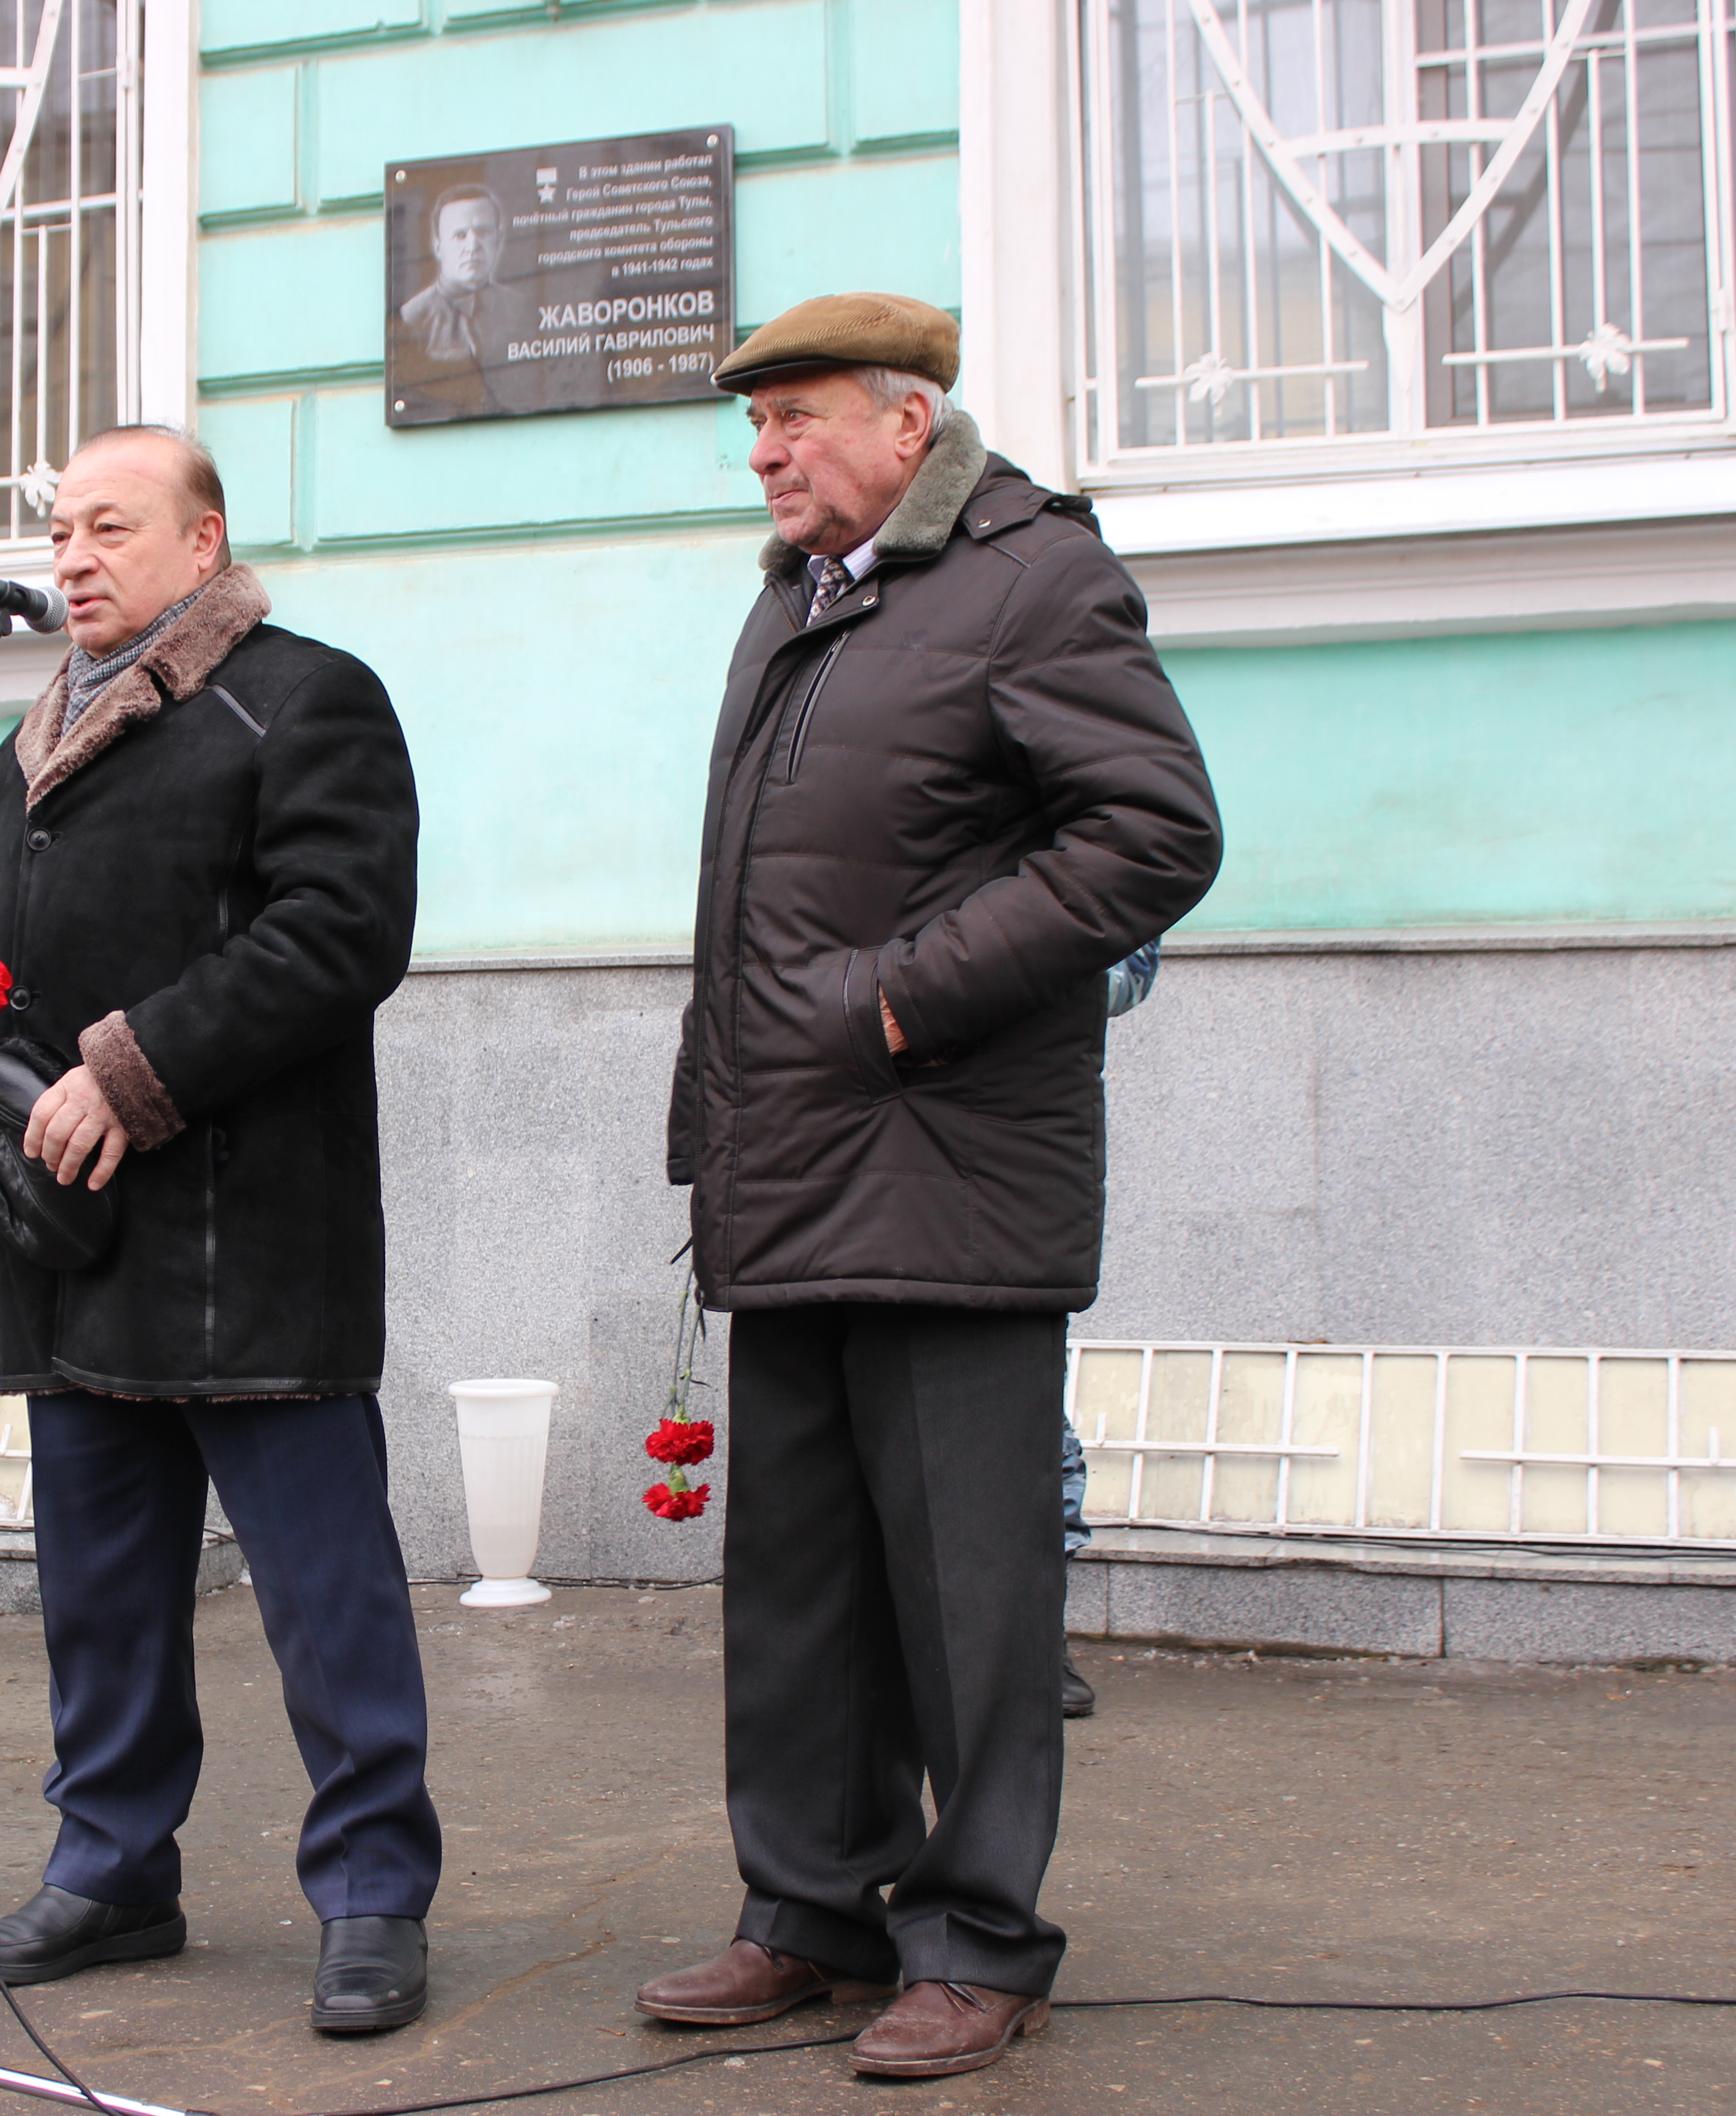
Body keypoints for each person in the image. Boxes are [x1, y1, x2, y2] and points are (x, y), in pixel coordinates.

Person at [644, 295, 1222, 2079]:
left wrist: (910, 991)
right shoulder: (800, 600)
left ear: (909, 423)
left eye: (798, 420)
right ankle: (811, 1910)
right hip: (790, 1161)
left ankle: (979, 1934)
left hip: (954, 1168)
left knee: (971, 1598)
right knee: (798, 1582)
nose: (768, 454)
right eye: (755, 431)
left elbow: (1153, 832)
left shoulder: (1033, 574)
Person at [0, 424, 439, 2035]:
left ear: (201, 545)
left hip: (252, 1238)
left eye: (108, 527)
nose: (70, 557)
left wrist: (134, 1075)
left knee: (325, 1597)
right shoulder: (27, 743)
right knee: (103, 1593)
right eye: (58, 529)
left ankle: (372, 1890)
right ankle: (114, 1867)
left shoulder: (303, 698)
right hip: (75, 1241)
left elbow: (342, 932)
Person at [1058, 939, 1164, 1724]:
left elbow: (1128, 975)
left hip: (1017, 1162)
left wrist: (1005, 965)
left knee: (1030, 1422)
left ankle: (1031, 1636)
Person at [390, 184, 514, 420]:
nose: (473, 246)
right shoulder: (411, 320)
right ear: (438, 247)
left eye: (483, 232)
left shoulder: (520, 310)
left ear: (498, 240)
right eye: (460, 235)